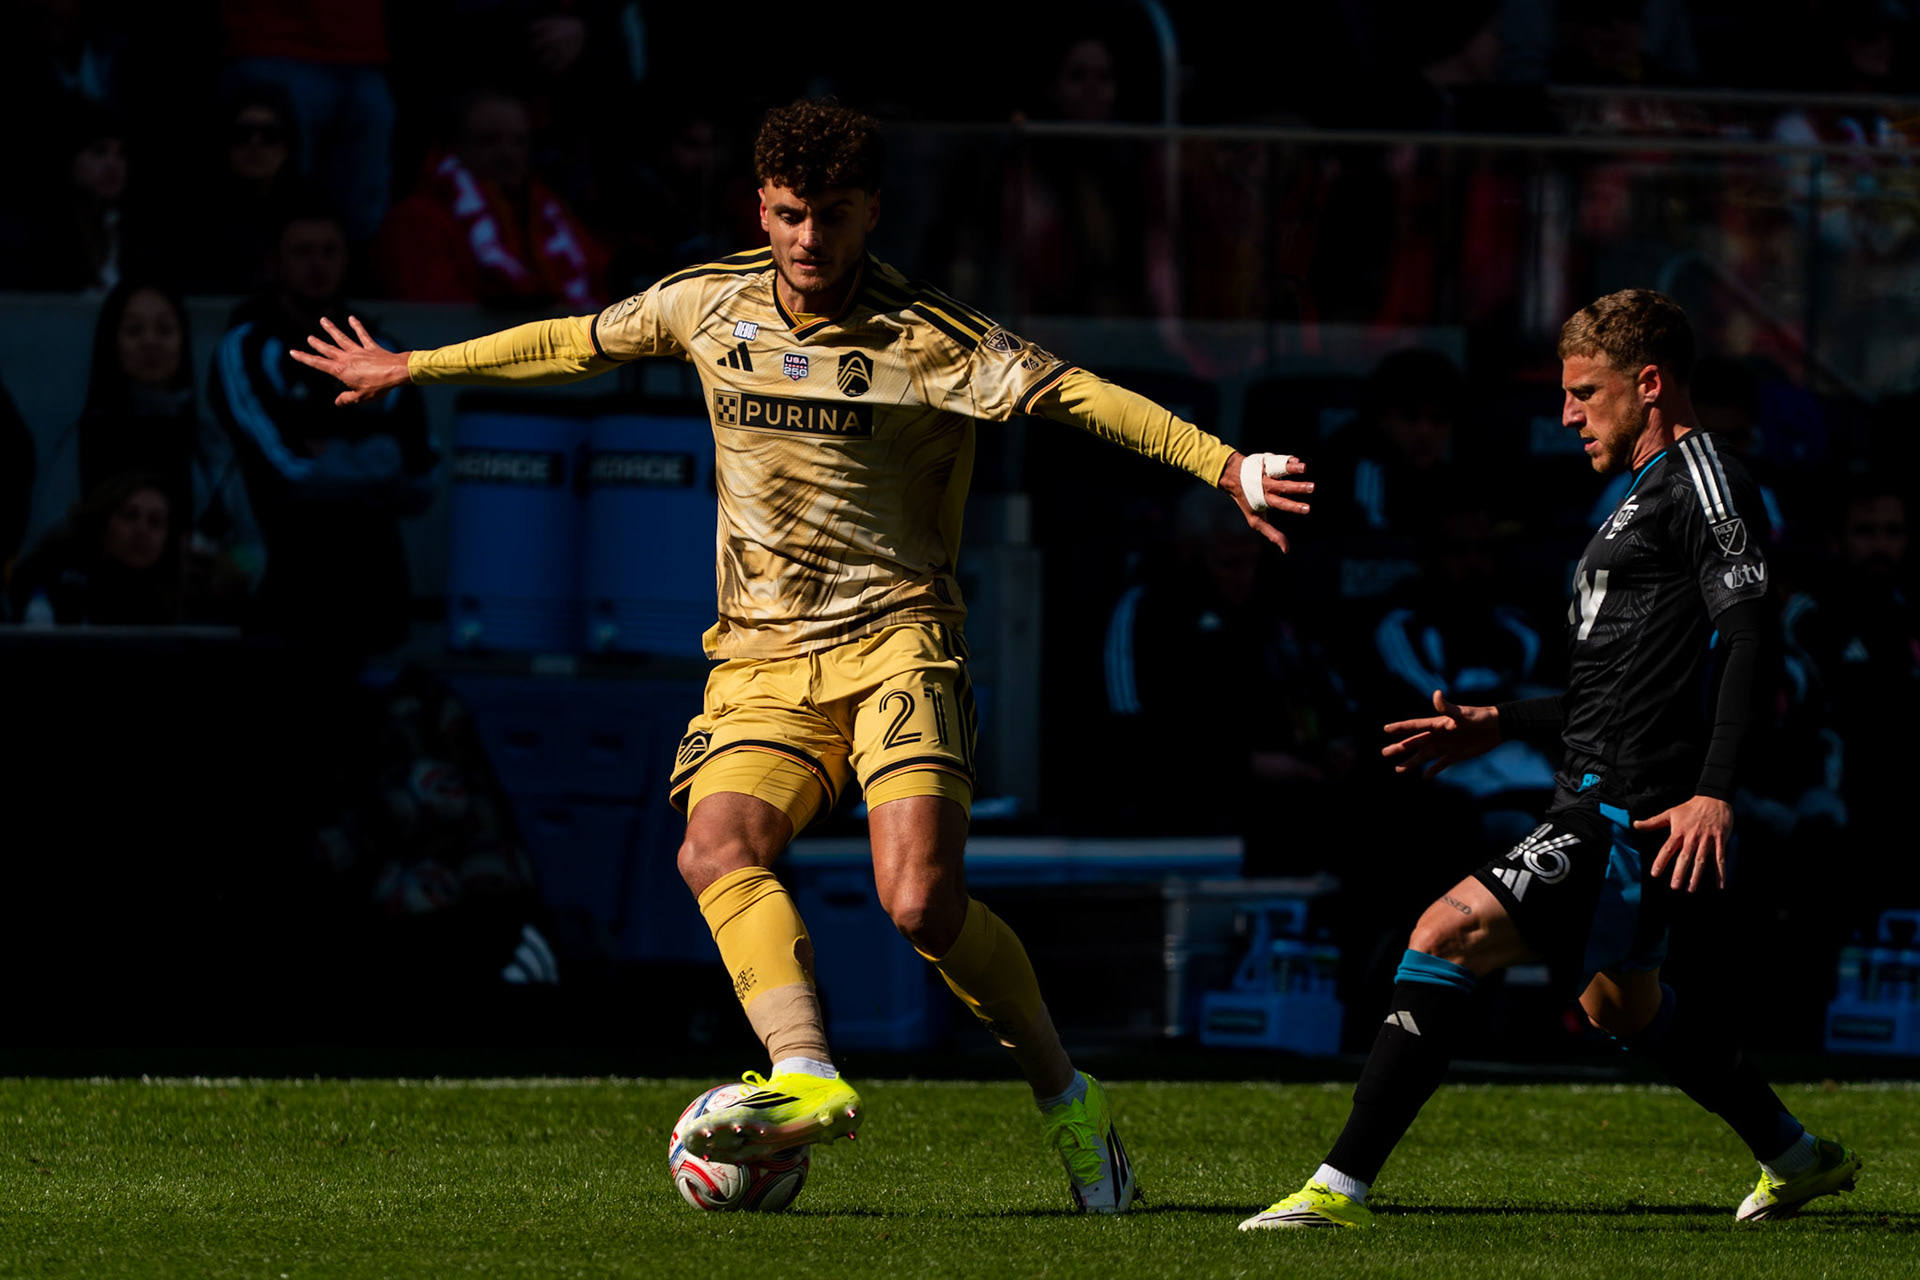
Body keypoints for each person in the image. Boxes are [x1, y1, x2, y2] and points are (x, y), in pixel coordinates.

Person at [290, 98, 1311, 1214]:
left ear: (873, 209)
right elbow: (573, 339)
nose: (809, 240)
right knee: (713, 847)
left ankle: (1071, 1099)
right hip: (761, 661)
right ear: (760, 207)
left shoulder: (931, 338)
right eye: (788, 215)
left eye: (831, 216)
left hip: (900, 646)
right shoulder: (707, 301)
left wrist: (1224, 465)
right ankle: (807, 1072)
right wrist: (416, 366)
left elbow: (1076, 394)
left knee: (920, 902)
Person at [1241, 289, 1863, 1231]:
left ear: (1648, 385)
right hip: (1597, 790)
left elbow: (1747, 640)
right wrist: (1504, 721)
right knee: (1622, 1002)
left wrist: (1713, 793)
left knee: (1442, 933)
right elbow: (1626, 681)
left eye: (1584, 392)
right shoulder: (1646, 491)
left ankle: (1338, 1190)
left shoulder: (1707, 480)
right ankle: (1794, 1154)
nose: (1566, 415)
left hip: (1626, 810)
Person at [209, 204, 435, 657]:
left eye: (330, 252)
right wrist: (375, 455)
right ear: (274, 261)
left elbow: (421, 472)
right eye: (303, 252)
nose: (318, 265)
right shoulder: (246, 347)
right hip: (284, 587)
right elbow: (283, 468)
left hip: (376, 590)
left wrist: (325, 449)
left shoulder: (384, 348)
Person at [378, 88, 608, 309]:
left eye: (518, 141)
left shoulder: (551, 213)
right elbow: (435, 315)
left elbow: (598, 284)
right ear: (456, 146)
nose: (507, 152)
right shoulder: (419, 219)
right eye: (490, 140)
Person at [7, 472, 178, 626]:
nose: (142, 529)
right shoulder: (51, 568)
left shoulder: (174, 597)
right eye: (130, 516)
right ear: (103, 521)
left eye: (155, 522)